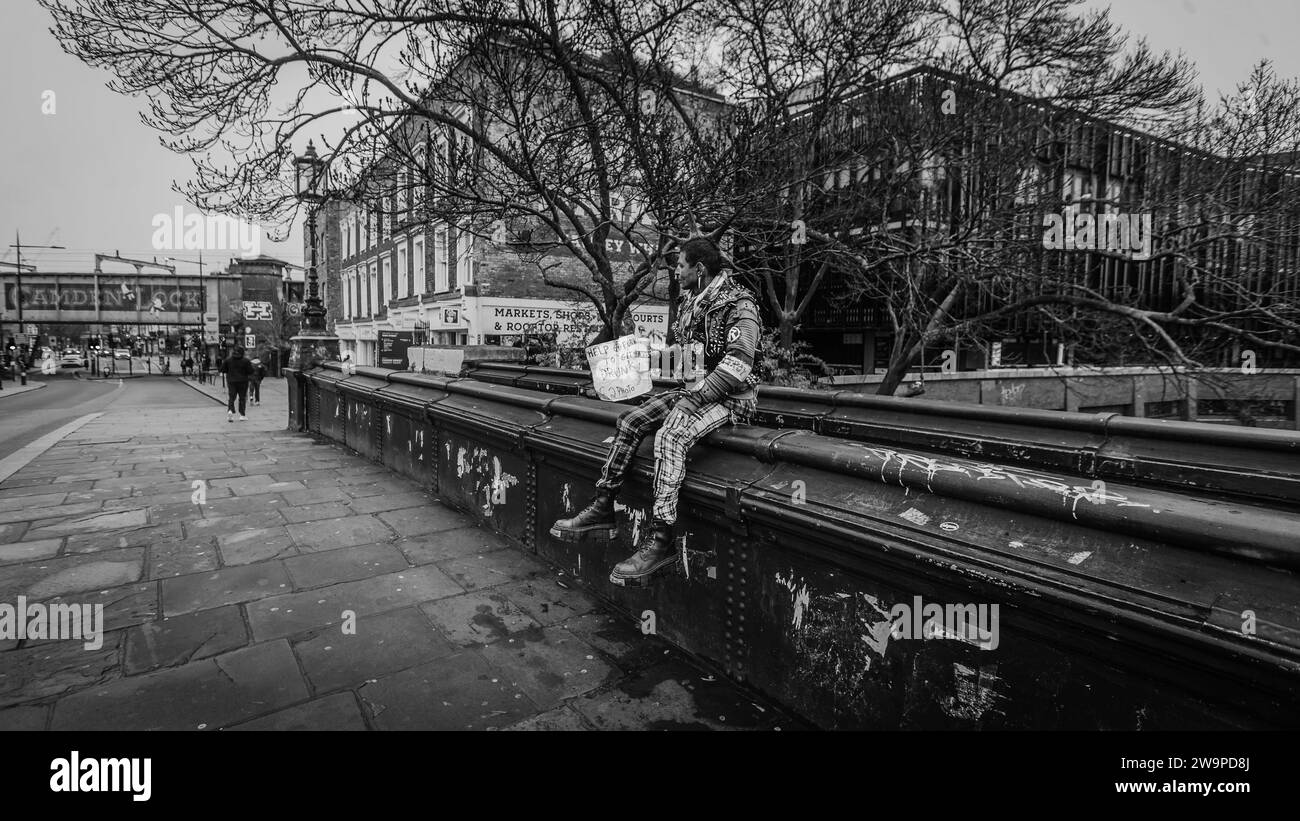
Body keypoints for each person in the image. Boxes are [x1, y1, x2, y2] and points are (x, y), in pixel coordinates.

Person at [550, 237, 764, 586]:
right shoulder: (692, 302)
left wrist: (693, 399)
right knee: (631, 421)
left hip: (731, 399)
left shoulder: (740, 303)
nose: (676, 272)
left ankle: (661, 538)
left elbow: (739, 363)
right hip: (695, 389)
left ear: (699, 269)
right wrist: (627, 371)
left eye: (680, 265)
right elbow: (686, 361)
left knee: (670, 436)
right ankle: (603, 506)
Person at [219, 346, 255, 421]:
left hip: (231, 381)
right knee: (242, 397)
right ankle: (242, 415)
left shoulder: (228, 360)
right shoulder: (246, 361)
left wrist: (229, 371)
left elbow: (222, 369)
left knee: (231, 397)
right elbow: (251, 371)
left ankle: (230, 410)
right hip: (243, 381)